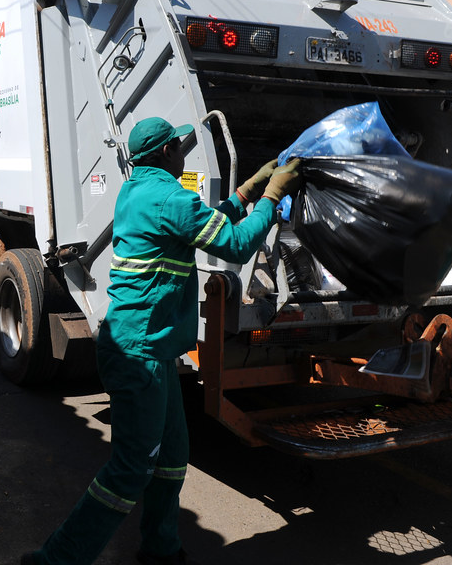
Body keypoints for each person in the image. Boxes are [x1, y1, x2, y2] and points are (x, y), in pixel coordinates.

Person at [21, 117, 300, 565]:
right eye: (179, 143)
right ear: (168, 152)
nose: (183, 147)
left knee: (172, 456)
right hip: (140, 355)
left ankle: (160, 548)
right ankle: (54, 559)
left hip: (149, 349)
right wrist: (272, 196)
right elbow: (237, 246)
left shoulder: (137, 191)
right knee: (131, 469)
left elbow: (201, 223)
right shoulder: (170, 197)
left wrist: (246, 191)